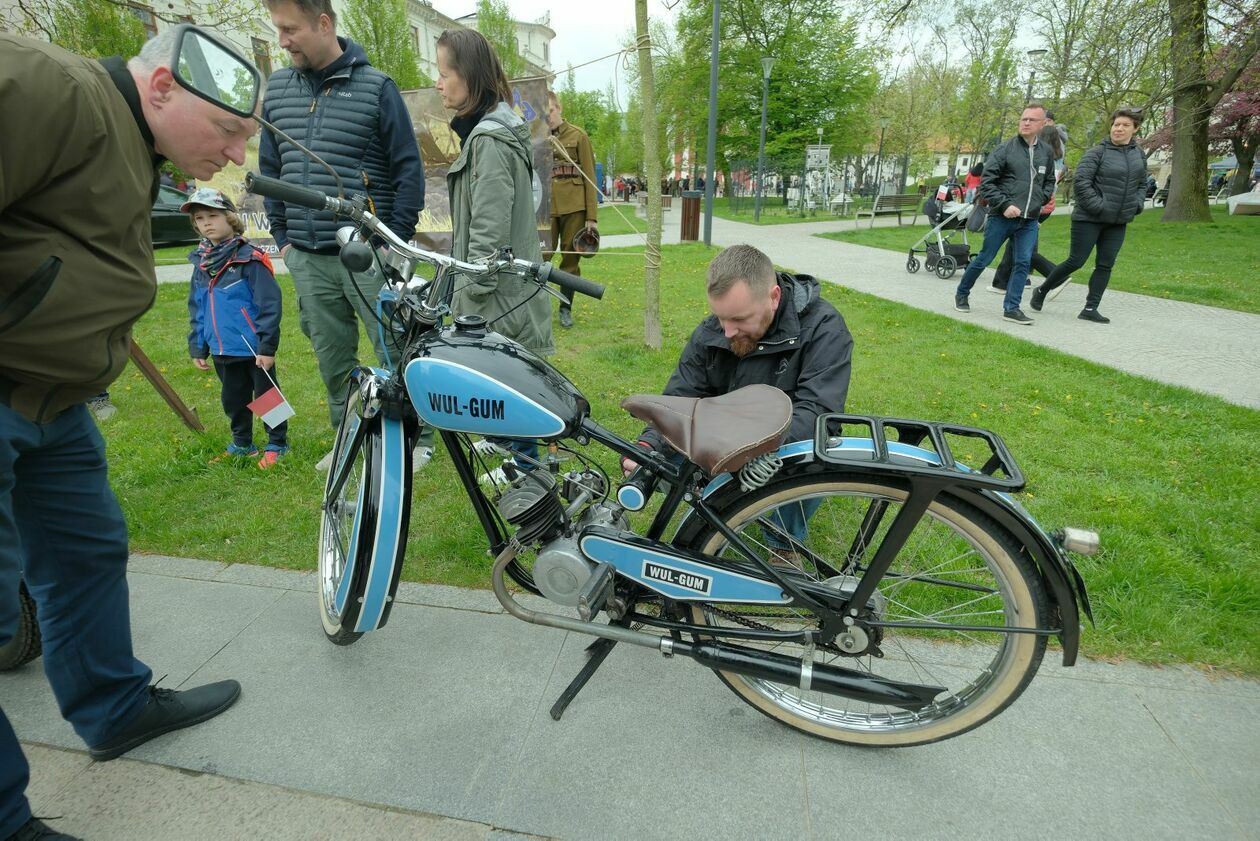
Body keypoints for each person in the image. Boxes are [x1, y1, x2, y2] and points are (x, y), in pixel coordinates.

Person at [1, 28, 253, 840]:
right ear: (162, 89)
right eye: (228, 131)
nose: (234, 151)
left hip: (56, 401)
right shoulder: (49, 86)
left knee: (86, 553)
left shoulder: (130, 138)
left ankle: (113, 708)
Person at [259, 0, 426, 471]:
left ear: (324, 24)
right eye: (279, 29)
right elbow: (270, 169)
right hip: (306, 256)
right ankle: (350, 438)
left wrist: (392, 242)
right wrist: (284, 240)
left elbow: (407, 169)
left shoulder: (377, 88)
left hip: (366, 255)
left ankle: (413, 439)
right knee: (333, 361)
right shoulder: (277, 88)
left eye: (290, 29)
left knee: (393, 347)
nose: (282, 40)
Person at [620, 245, 854, 567]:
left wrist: (762, 450)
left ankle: (783, 543)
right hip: (725, 434)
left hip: (779, 440)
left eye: (739, 319)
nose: (726, 331)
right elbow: (681, 397)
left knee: (818, 453)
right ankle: (708, 513)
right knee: (665, 449)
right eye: (720, 317)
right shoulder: (714, 330)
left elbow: (817, 412)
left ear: (773, 297)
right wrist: (648, 447)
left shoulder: (824, 330)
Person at [437, 28, 554, 479]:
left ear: (469, 76)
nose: (439, 83)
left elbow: (488, 227)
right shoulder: (494, 132)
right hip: (505, 289)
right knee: (509, 383)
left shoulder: (488, 140)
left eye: (445, 73)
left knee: (509, 387)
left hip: (498, 294)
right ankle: (517, 460)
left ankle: (524, 470)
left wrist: (473, 296)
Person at [184, 188, 290, 468]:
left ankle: (277, 443)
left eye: (212, 215)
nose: (206, 222)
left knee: (266, 397)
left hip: (252, 348)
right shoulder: (201, 263)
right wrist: (198, 344)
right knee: (233, 399)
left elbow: (269, 304)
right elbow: (197, 305)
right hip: (221, 347)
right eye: (199, 218)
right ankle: (243, 443)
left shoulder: (249, 259)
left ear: (230, 218)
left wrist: (266, 346)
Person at [1031, 107, 1149, 323]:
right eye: (1116, 125)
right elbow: (1082, 183)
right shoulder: (1097, 152)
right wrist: (1100, 206)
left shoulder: (1138, 155)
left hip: (1118, 221)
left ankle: (1090, 308)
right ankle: (1041, 290)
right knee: (1077, 260)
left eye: (1125, 125)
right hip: (1089, 218)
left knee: (1106, 264)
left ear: (1135, 129)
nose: (1119, 129)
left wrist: (1137, 204)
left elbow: (1142, 183)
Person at [952, 103, 1057, 326]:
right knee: (985, 259)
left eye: (1032, 120)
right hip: (1002, 217)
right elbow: (987, 183)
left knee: (1022, 263)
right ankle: (962, 293)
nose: (1026, 123)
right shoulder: (1005, 149)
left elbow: (1049, 182)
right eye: (1023, 119)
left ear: (1042, 124)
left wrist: (1039, 201)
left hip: (1029, 219)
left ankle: (1012, 308)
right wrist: (1005, 204)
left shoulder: (1046, 152)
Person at [989, 124, 1066, 295]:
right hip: (1044, 204)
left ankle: (1056, 275)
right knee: (1018, 243)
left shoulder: (1041, 156)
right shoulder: (1058, 158)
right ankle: (1005, 282)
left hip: (1035, 205)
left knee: (1022, 246)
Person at [544, 90, 598, 329]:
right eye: (544, 114)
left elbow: (590, 178)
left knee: (570, 260)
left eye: (551, 111)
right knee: (540, 256)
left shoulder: (578, 136)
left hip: (573, 207)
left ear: (559, 108)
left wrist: (591, 217)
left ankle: (565, 308)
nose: (548, 117)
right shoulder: (537, 136)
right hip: (545, 208)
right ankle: (536, 308)